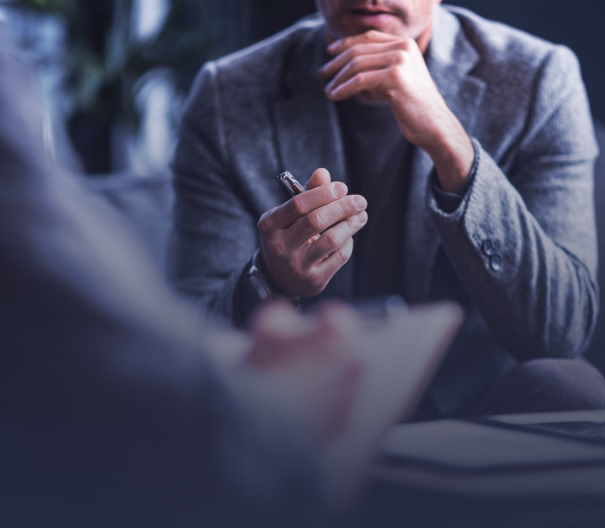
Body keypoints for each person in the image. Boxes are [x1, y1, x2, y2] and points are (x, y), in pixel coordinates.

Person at [169, 0, 605, 418]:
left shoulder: (538, 78)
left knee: (570, 386)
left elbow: (562, 332)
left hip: (478, 401)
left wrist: (455, 150)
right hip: (298, 409)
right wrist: (269, 282)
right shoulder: (227, 95)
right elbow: (189, 339)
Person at [0, 36, 364, 528]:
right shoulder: (227, 94)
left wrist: (453, 153)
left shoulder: (505, 70)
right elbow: (110, 338)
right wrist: (277, 402)